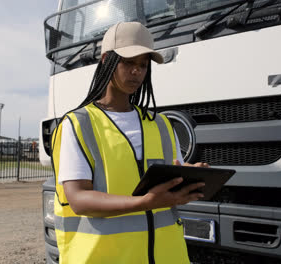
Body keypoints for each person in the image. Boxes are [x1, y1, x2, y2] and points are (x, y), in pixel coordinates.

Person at [51, 21, 209, 264]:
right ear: (106, 60)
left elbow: (169, 175)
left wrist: (188, 178)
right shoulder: (78, 124)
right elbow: (79, 199)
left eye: (143, 65)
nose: (136, 72)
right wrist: (145, 203)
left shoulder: (161, 125)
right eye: (128, 62)